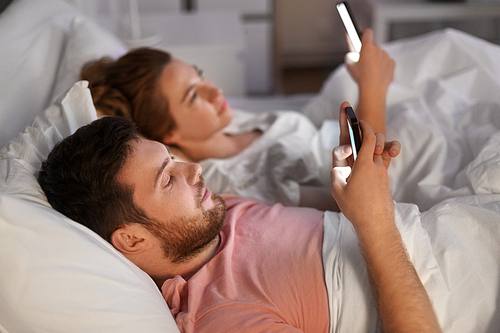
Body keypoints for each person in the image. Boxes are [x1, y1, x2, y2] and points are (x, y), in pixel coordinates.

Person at [38, 102, 441, 333]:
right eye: (167, 179)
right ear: (132, 240)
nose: (194, 169)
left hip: (438, 226)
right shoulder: (220, 316)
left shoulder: (217, 211)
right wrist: (374, 220)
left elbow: (341, 212)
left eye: (173, 158)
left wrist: (354, 181)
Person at [80, 29, 396, 210]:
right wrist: (373, 86)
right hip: (389, 165)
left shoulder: (226, 124)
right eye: (193, 96)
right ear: (168, 134)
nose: (215, 90)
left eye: (200, 76)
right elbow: (362, 199)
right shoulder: (242, 179)